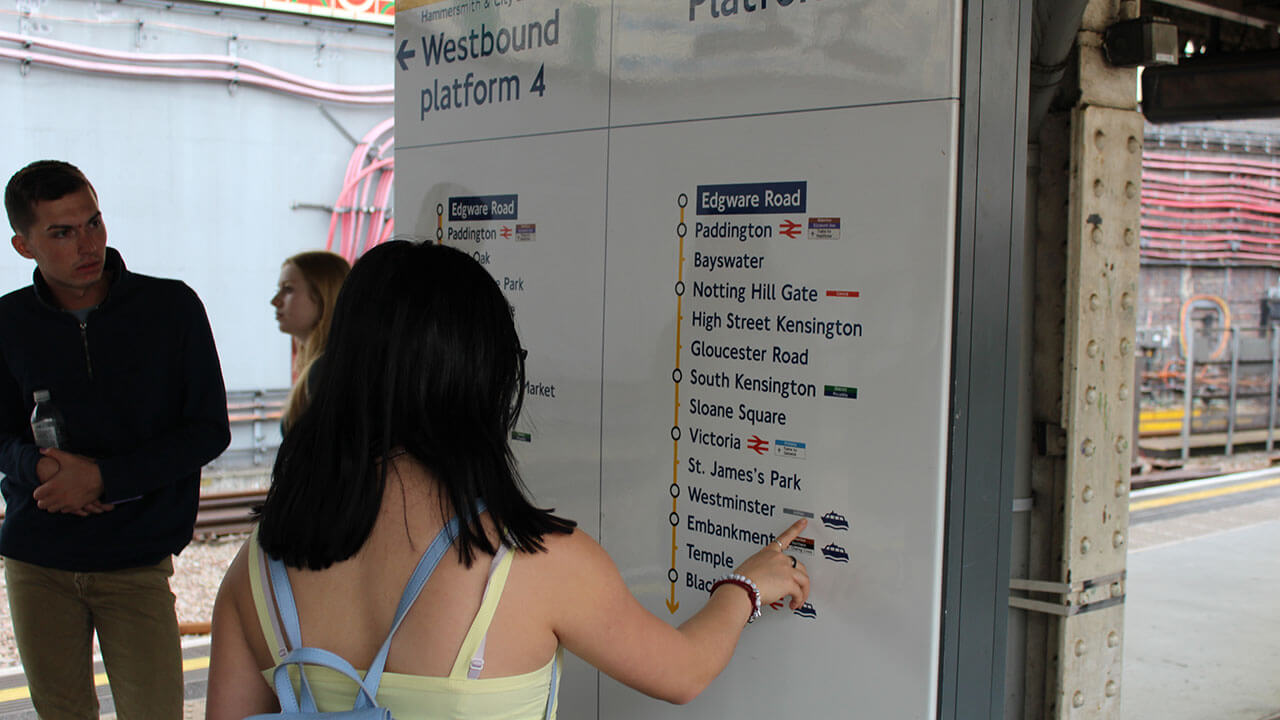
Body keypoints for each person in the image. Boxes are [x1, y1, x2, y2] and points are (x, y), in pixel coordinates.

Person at [207, 241, 811, 719]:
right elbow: (682, 673)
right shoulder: (535, 560)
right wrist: (746, 588)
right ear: (479, 378)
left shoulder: (257, 567)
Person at [0, 160, 231, 718]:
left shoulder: (170, 308)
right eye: (62, 232)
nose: (88, 243)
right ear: (23, 245)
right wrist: (43, 471)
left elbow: (208, 429)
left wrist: (105, 479)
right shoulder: (7, 322)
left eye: (94, 222)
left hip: (135, 560)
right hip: (38, 561)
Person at [270, 251, 349, 430]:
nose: (275, 301)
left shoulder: (325, 370)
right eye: (278, 290)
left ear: (323, 296)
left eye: (288, 289)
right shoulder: (322, 366)